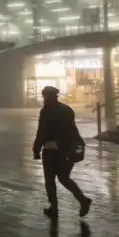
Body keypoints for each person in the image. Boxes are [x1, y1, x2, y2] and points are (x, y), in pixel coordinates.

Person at [33, 86, 91, 218]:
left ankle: (55, 208)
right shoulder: (66, 109)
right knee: (64, 178)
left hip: (52, 150)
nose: (44, 99)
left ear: (47, 97)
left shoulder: (47, 111)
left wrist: (36, 148)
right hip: (66, 149)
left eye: (45, 96)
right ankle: (82, 200)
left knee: (50, 180)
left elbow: (41, 131)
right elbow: (72, 130)